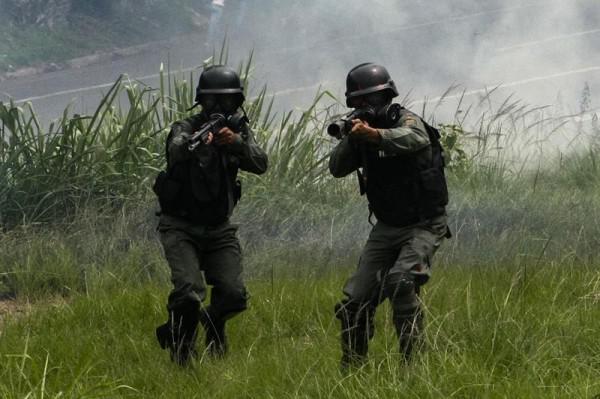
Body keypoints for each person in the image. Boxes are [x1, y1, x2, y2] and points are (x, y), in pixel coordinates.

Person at [328, 63, 451, 369]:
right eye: (356, 103)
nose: (362, 108)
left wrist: (375, 135)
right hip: (386, 226)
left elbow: (415, 138)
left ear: (384, 96)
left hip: (424, 223)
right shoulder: (362, 135)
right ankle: (352, 370)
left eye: (367, 101)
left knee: (400, 281)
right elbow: (336, 168)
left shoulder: (404, 119)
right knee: (354, 303)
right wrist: (353, 139)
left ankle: (412, 367)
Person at [153, 65, 268, 366]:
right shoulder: (186, 127)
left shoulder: (238, 132)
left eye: (225, 102)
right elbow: (176, 148)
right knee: (189, 293)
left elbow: (261, 163)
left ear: (236, 103)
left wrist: (236, 143)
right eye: (211, 102)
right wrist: (195, 147)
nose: (217, 108)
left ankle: (214, 322)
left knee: (234, 295)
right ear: (201, 102)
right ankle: (182, 353)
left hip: (219, 229)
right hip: (180, 227)